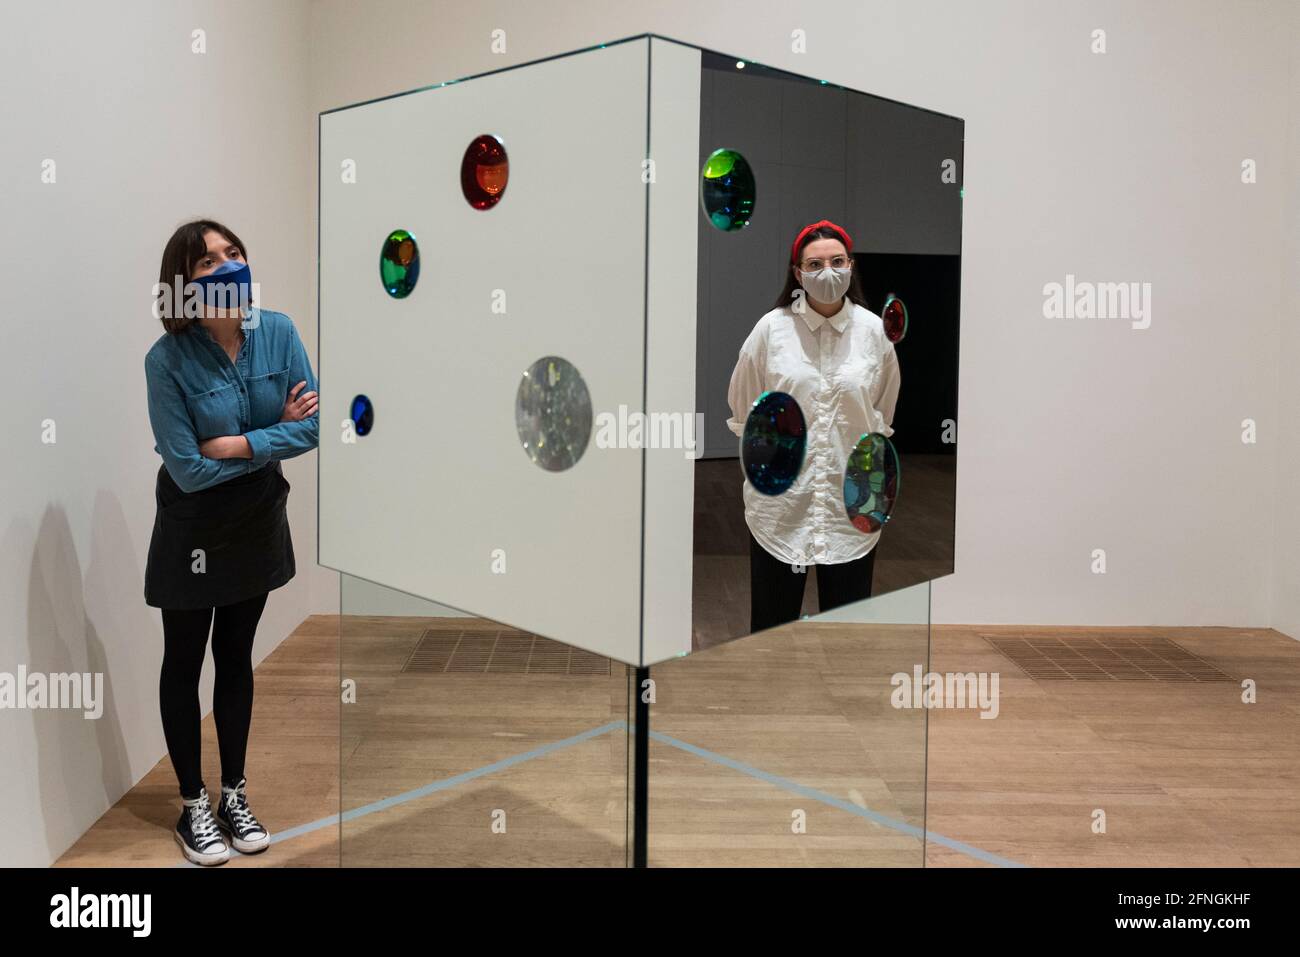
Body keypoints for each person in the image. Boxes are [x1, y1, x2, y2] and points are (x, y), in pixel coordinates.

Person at [143, 219, 319, 865]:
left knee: (237, 655)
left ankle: (233, 792)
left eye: (233, 253)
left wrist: (240, 443)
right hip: (192, 523)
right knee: (184, 659)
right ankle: (193, 804)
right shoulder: (165, 361)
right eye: (209, 260)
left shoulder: (279, 331)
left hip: (255, 516)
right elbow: (188, 468)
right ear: (184, 284)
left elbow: (316, 426)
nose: (225, 266)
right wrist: (275, 434)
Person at [726, 219, 901, 634]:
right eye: (816, 262)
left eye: (837, 261)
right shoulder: (771, 330)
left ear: (851, 266)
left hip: (852, 505)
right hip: (782, 507)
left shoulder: (875, 332)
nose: (828, 271)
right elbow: (743, 410)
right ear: (798, 273)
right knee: (771, 629)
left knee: (847, 633)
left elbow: (883, 413)